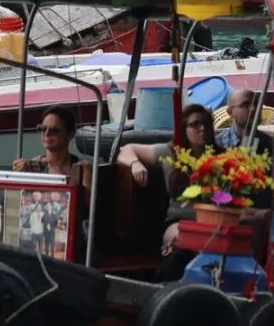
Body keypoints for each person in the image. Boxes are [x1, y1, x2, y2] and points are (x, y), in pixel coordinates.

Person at [117, 104, 222, 277]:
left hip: (214, 223)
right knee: (185, 245)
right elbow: (126, 149)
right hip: (180, 222)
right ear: (184, 129)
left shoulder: (223, 158)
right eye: (195, 124)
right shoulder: (170, 153)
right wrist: (135, 164)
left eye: (206, 123)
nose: (202, 128)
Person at [12, 105, 91, 188]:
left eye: (55, 130)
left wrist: (86, 179)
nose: (47, 133)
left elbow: (87, 200)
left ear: (70, 134)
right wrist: (19, 175)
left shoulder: (82, 168)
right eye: (43, 129)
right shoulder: (31, 167)